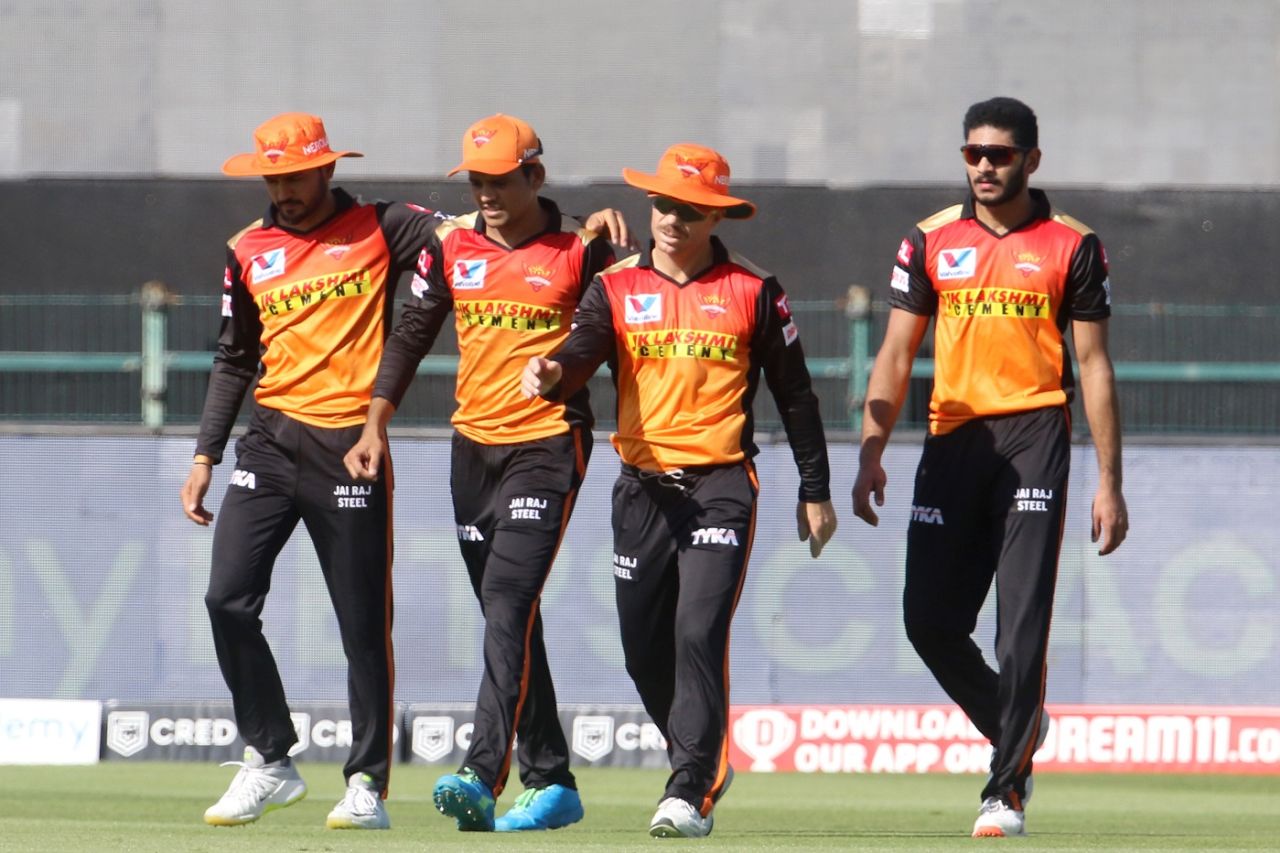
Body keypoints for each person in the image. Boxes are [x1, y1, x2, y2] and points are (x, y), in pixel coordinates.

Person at [180, 112, 628, 832]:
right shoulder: (247, 249)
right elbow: (235, 356)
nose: (283, 191)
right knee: (225, 598)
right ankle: (270, 756)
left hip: (357, 447)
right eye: (272, 177)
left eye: (295, 175)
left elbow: (498, 227)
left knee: (371, 623)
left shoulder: (390, 226)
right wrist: (206, 453)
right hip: (268, 442)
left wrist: (586, 225)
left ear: (327, 169)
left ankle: (372, 782)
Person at [521, 143, 837, 838]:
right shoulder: (616, 285)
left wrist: (816, 489)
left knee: (698, 630)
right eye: (663, 204)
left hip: (720, 485)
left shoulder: (755, 289)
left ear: (715, 215)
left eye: (689, 209)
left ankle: (689, 785)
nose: (671, 218)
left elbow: (796, 395)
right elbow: (581, 352)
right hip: (640, 491)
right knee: (642, 649)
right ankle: (700, 759)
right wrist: (552, 373)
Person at [850, 96, 1129, 839]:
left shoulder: (1073, 244)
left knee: (1021, 625)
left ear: (1032, 160)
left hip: (1035, 431)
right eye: (972, 152)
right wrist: (870, 453)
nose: (983, 166)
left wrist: (1109, 480)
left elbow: (1094, 366)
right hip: (952, 440)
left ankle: (1004, 788)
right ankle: (1019, 722)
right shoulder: (931, 239)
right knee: (928, 620)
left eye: (999, 154)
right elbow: (895, 353)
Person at [343, 114, 621, 834]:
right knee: (509, 615)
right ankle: (552, 777)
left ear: (535, 174)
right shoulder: (455, 246)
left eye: (500, 179)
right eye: (476, 180)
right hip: (471, 450)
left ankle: (480, 771)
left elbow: (631, 327)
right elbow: (410, 335)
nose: (487, 192)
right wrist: (375, 420)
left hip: (550, 442)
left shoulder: (583, 245)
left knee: (506, 596)